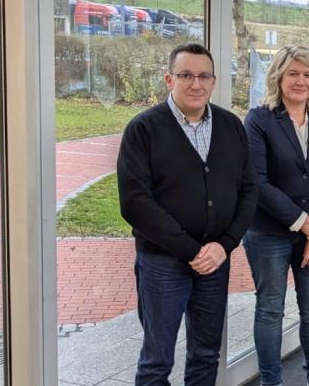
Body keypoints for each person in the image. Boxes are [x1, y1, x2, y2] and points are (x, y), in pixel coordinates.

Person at [117, 43, 257, 385]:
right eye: (186, 75)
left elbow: (248, 190)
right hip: (162, 264)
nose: (196, 84)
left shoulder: (230, 126)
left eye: (204, 76)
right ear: (169, 79)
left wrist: (224, 245)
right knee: (156, 361)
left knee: (207, 355)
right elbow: (135, 202)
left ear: (214, 81)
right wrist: (191, 250)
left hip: (215, 261)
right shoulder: (143, 129)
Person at [244, 44, 309, 386]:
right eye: (293, 73)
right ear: (278, 76)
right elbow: (257, 182)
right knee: (270, 311)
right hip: (269, 233)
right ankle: (271, 382)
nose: (301, 81)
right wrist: (305, 223)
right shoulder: (259, 119)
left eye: (308, 74)